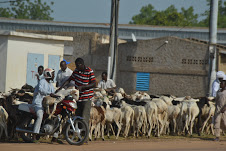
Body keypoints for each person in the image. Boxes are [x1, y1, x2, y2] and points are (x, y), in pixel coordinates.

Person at [56, 58, 96, 142]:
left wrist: (83, 87)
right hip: (77, 98)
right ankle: (69, 134)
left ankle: (84, 138)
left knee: (84, 117)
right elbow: (69, 80)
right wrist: (61, 88)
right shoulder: (76, 71)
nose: (77, 67)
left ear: (82, 64)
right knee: (76, 117)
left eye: (78, 65)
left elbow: (93, 84)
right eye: (76, 66)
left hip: (86, 98)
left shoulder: (89, 71)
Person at [32, 68, 58, 142]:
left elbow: (53, 93)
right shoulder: (42, 81)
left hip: (46, 104)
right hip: (38, 103)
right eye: (52, 74)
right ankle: (34, 134)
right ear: (48, 74)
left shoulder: (51, 84)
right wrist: (50, 93)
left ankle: (54, 134)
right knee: (40, 115)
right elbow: (41, 90)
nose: (53, 75)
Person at [214, 75, 226, 141]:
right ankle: (217, 136)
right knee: (217, 122)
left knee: (224, 123)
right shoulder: (218, 92)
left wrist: (224, 108)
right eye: (220, 83)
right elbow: (216, 101)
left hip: (224, 110)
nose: (220, 85)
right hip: (218, 110)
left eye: (222, 84)